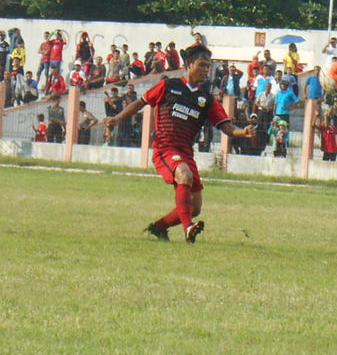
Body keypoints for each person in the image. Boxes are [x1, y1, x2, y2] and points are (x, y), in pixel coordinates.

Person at [104, 45, 255, 243]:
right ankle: (188, 228)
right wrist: (117, 118)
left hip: (186, 154)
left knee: (195, 207)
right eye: (201, 65)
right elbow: (140, 103)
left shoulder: (206, 99)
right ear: (188, 64)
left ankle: (158, 228)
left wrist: (242, 132)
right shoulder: (168, 86)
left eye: (207, 66)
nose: (204, 70)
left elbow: (226, 126)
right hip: (165, 149)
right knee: (184, 174)